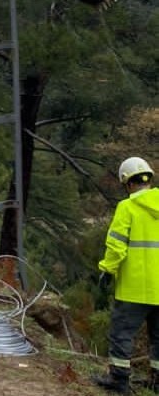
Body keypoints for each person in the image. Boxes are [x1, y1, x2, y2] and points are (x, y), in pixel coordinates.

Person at [93, 156, 159, 393]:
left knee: (122, 334)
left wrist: (107, 271)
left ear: (127, 183)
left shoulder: (127, 207)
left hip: (134, 288)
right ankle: (157, 382)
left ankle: (119, 381)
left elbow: (117, 246)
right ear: (149, 179)